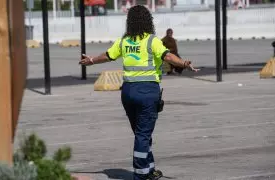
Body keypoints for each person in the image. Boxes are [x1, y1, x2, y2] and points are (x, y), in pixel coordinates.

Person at [79, 5, 199, 180]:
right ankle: (141, 175)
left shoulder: (125, 41)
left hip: (128, 92)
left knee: (141, 133)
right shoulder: (152, 40)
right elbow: (168, 56)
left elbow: (107, 55)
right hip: (147, 92)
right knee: (143, 135)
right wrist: (183, 64)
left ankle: (149, 170)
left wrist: (90, 60)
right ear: (148, 21)